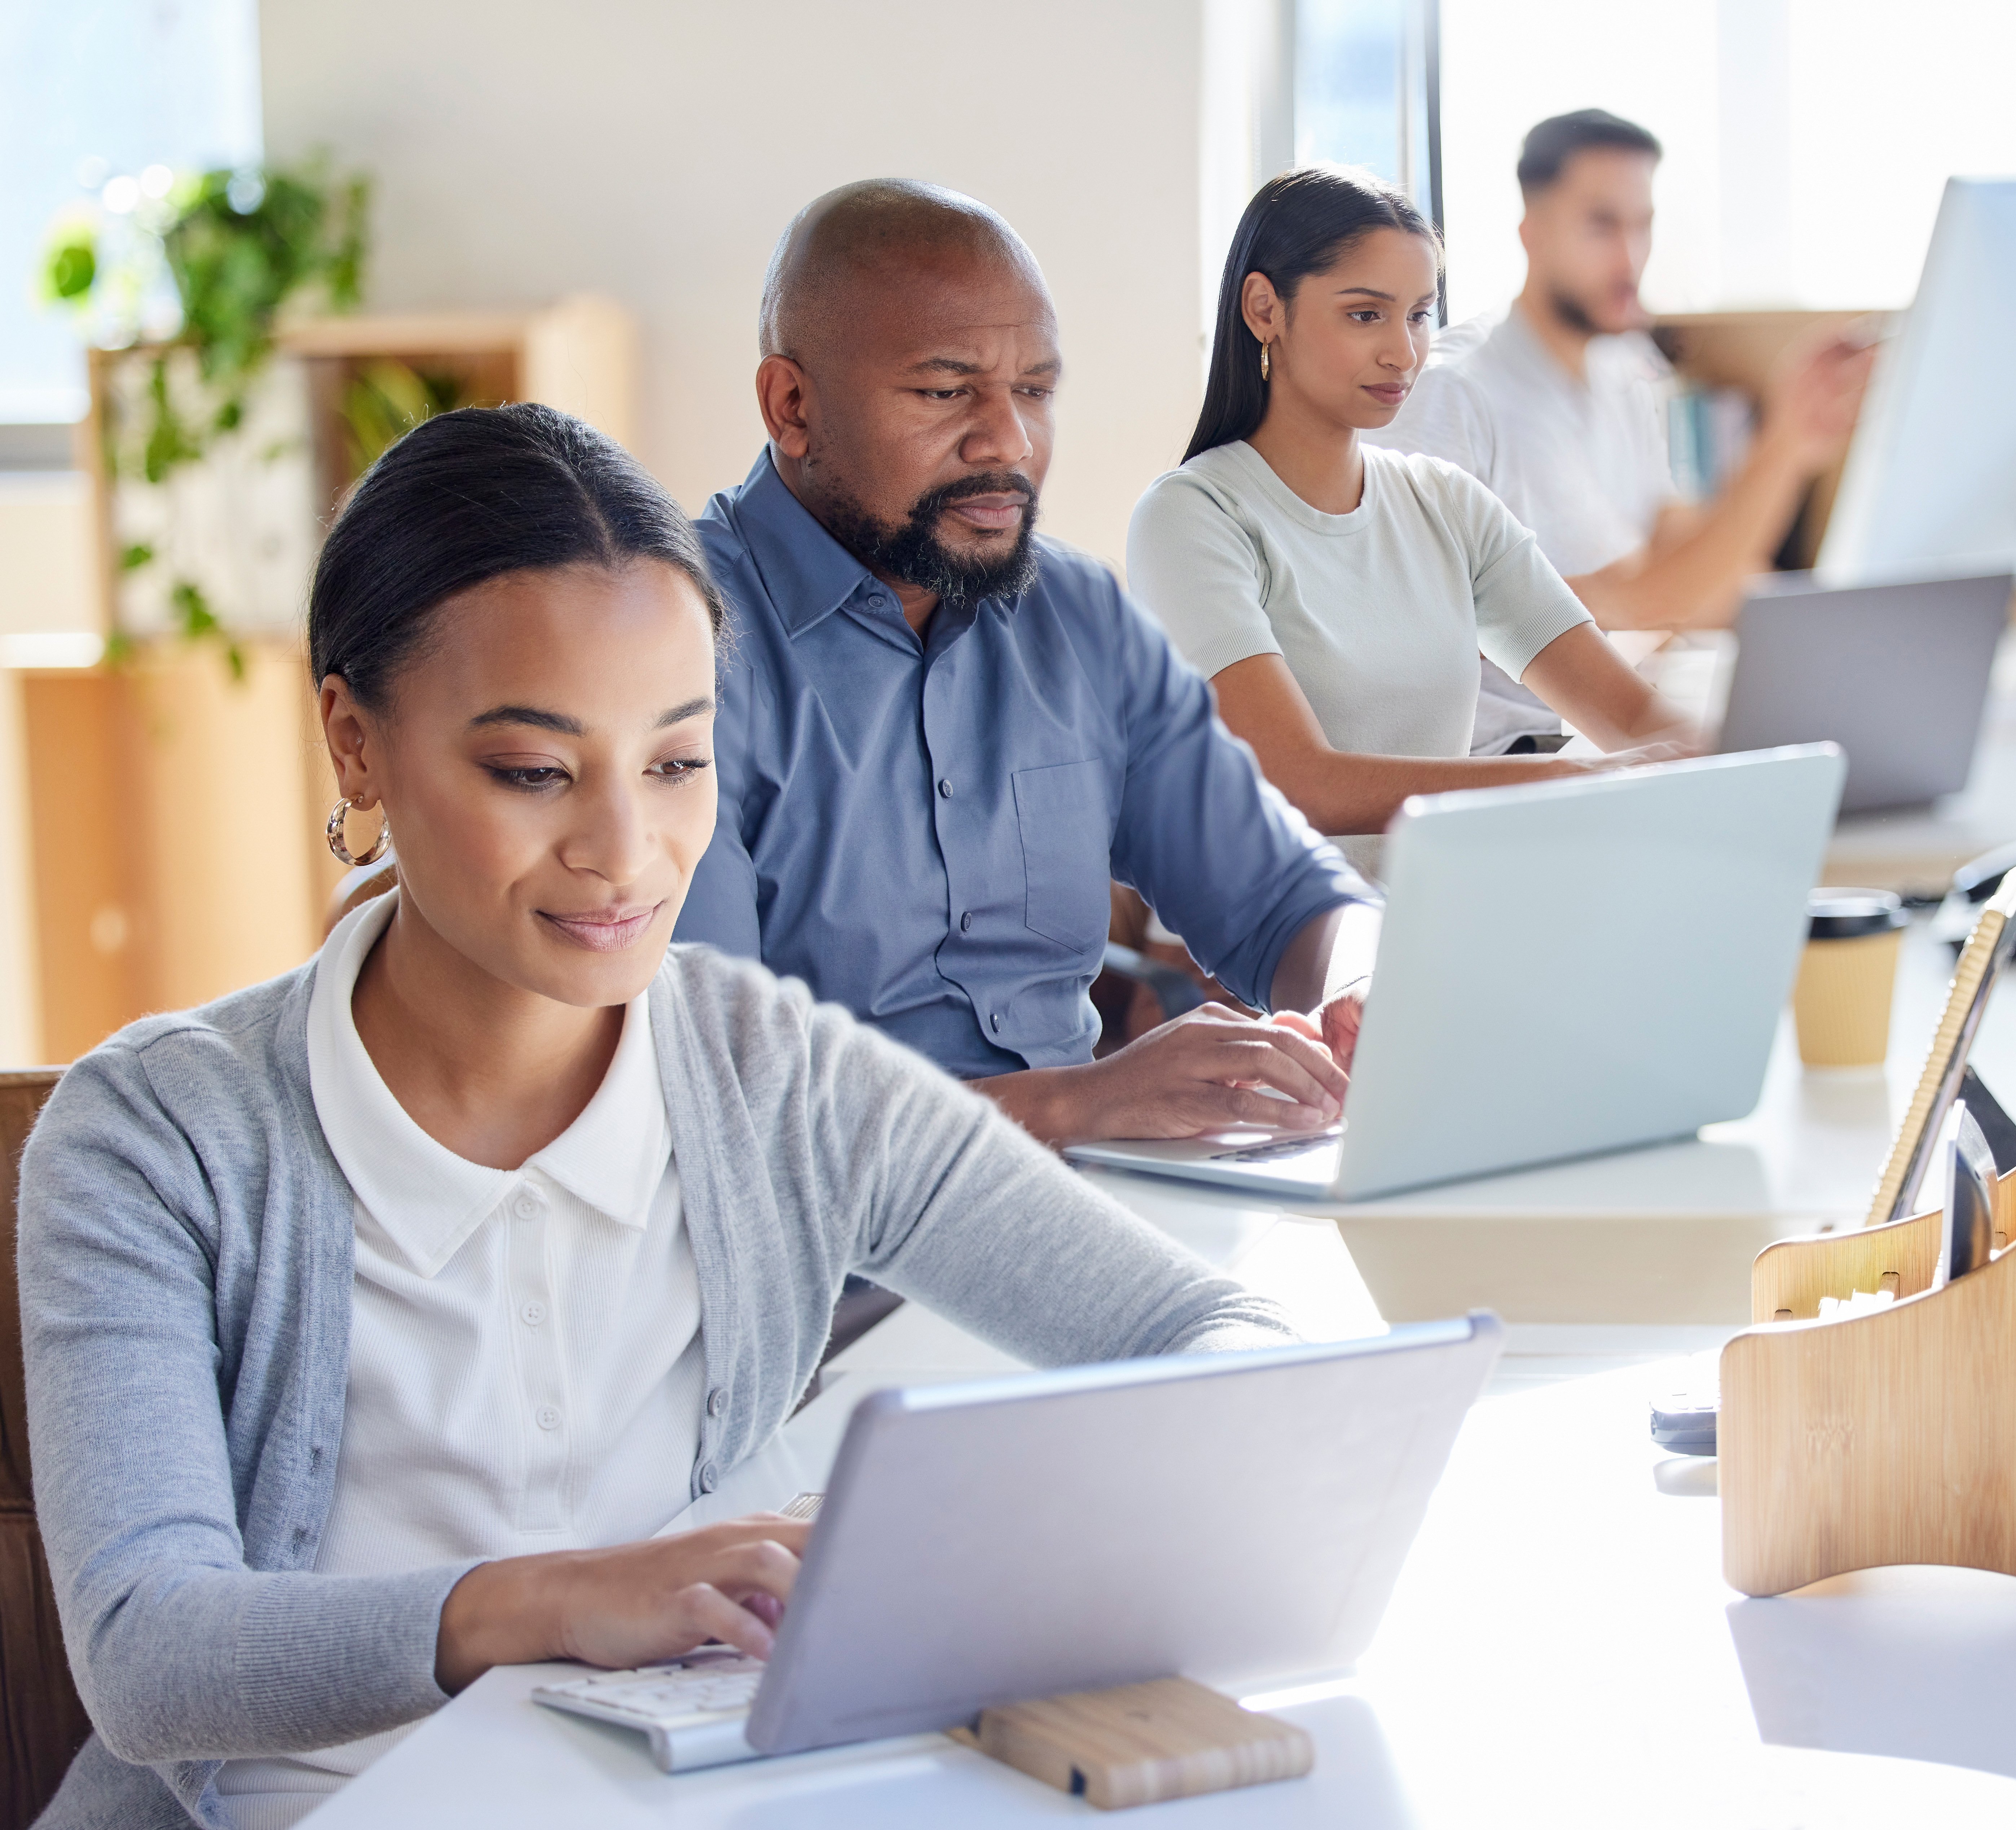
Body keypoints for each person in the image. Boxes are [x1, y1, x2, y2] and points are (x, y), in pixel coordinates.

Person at [17, 404, 1295, 1830]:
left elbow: (1220, 1343)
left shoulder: (772, 1070)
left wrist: (959, 1549)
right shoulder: (153, 1132)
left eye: (678, 761)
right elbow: (150, 1651)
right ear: (355, 743)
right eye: (533, 769)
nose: (626, 851)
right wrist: (562, 1598)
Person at [672, 179, 1379, 1146]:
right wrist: (1079, 1103)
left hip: (1086, 1211)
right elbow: (710, 1099)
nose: (1007, 441)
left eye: (1035, 392)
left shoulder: (1077, 616)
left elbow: (1281, 895)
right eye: (944, 391)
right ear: (792, 406)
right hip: (831, 1269)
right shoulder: (668, 645)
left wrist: (1357, 984)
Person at [1124, 166, 1694, 877]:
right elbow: (1301, 782)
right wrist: (1563, 784)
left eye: (1420, 314)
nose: (1403, 351)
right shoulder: (1191, 518)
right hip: (1259, 960)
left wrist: (1750, 758)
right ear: (1264, 308)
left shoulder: (1448, 505)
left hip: (1431, 916)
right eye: (1366, 315)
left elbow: (1632, 717)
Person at [1367, 109, 1874, 749]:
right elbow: (1637, 601)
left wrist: (1839, 631)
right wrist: (1783, 447)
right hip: (1505, 760)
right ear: (1532, 230)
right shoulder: (1454, 392)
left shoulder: (1625, 370)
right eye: (1603, 225)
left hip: (1601, 733)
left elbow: (1684, 554)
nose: (1630, 256)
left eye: (1643, 226)